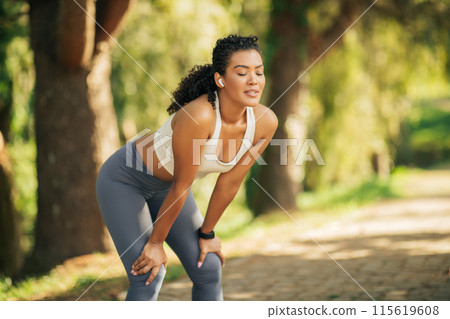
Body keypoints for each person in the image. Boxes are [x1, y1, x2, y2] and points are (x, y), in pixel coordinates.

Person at [96, 34, 278, 301]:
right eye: (242, 73)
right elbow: (183, 185)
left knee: (209, 267)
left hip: (168, 189)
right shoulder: (200, 116)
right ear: (221, 79)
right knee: (148, 274)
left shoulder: (265, 122)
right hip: (125, 179)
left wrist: (208, 234)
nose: (254, 80)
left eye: (259, 73)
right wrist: (155, 244)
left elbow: (229, 182)